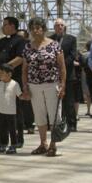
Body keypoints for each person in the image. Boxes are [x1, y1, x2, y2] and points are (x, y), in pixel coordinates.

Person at [9, 17, 65, 156]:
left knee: (54, 115)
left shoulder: (54, 45)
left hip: (52, 84)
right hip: (34, 85)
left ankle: (53, 144)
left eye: (38, 27)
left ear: (44, 29)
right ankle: (43, 143)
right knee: (39, 115)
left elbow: (62, 67)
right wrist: (25, 86)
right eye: (33, 28)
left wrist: (63, 85)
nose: (35, 30)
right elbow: (24, 69)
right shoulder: (28, 47)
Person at [0, 17, 27, 146]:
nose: (3, 27)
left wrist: (3, 69)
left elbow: (20, 58)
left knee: (16, 111)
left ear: (12, 26)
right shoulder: (0, 42)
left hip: (14, 80)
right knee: (0, 109)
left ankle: (18, 139)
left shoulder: (21, 41)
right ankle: (3, 138)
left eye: (5, 24)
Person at [51, 19, 80, 132]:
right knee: (55, 101)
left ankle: (72, 124)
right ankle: (58, 123)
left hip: (68, 74)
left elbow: (72, 55)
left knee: (69, 101)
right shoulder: (50, 39)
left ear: (65, 27)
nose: (60, 27)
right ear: (54, 27)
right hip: (53, 75)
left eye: (62, 25)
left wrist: (61, 64)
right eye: (57, 25)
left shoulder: (71, 39)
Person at [0, 66, 21, 154]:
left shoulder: (15, 84)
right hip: (1, 111)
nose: (0, 75)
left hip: (11, 111)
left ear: (9, 74)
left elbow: (20, 95)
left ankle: (13, 145)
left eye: (2, 73)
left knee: (12, 129)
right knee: (2, 129)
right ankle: (3, 144)